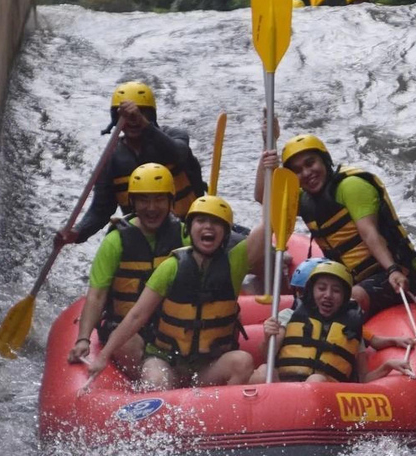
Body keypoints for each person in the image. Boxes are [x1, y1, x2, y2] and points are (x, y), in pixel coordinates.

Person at [87, 195, 264, 390]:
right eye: (201, 221)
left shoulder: (234, 264)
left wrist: (267, 171)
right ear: (189, 228)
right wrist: (103, 356)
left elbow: (268, 226)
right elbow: (137, 315)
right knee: (155, 379)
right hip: (167, 361)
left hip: (208, 366)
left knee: (242, 361)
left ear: (226, 234)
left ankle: (224, 414)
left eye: (216, 223)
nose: (208, 227)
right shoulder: (171, 267)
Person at [255, 133, 416, 320]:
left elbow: (369, 233)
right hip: (347, 279)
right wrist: (266, 156)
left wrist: (392, 270)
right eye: (298, 170)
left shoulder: (351, 186)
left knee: (348, 299)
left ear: (325, 160)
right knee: (306, 305)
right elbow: (264, 198)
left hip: (392, 272)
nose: (307, 173)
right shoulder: (304, 200)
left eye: (311, 163)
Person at [67, 163, 187, 379]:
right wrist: (83, 338)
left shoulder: (184, 236)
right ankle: (145, 384)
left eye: (159, 199)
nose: (151, 208)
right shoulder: (116, 241)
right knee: (127, 342)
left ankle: (169, 377)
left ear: (171, 200)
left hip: (168, 328)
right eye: (143, 200)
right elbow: (96, 295)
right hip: (125, 327)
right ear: (133, 202)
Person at [56, 81, 206, 246]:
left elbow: (179, 153)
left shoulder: (174, 136)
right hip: (145, 237)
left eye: (141, 113)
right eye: (126, 117)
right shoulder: (111, 159)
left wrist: (143, 123)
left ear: (150, 116)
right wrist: (77, 232)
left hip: (187, 228)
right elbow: (101, 210)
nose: (133, 121)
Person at [250, 261, 412, 384]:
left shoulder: (351, 330)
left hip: (323, 392)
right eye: (321, 288)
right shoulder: (288, 316)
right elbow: (267, 356)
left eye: (336, 291)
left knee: (316, 379)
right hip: (282, 390)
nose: (328, 295)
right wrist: (268, 337)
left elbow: (363, 379)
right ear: (311, 291)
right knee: (264, 370)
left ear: (344, 297)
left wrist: (388, 366)